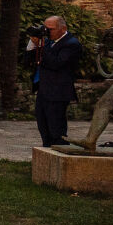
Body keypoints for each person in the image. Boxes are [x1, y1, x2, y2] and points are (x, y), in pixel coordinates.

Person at [30, 15, 81, 147]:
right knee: (43, 125)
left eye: (50, 29)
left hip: (58, 92)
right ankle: (47, 152)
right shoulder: (47, 42)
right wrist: (33, 44)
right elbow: (29, 60)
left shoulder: (71, 44)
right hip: (44, 89)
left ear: (63, 29)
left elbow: (57, 63)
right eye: (45, 28)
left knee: (56, 128)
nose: (46, 32)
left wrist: (40, 46)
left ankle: (60, 153)